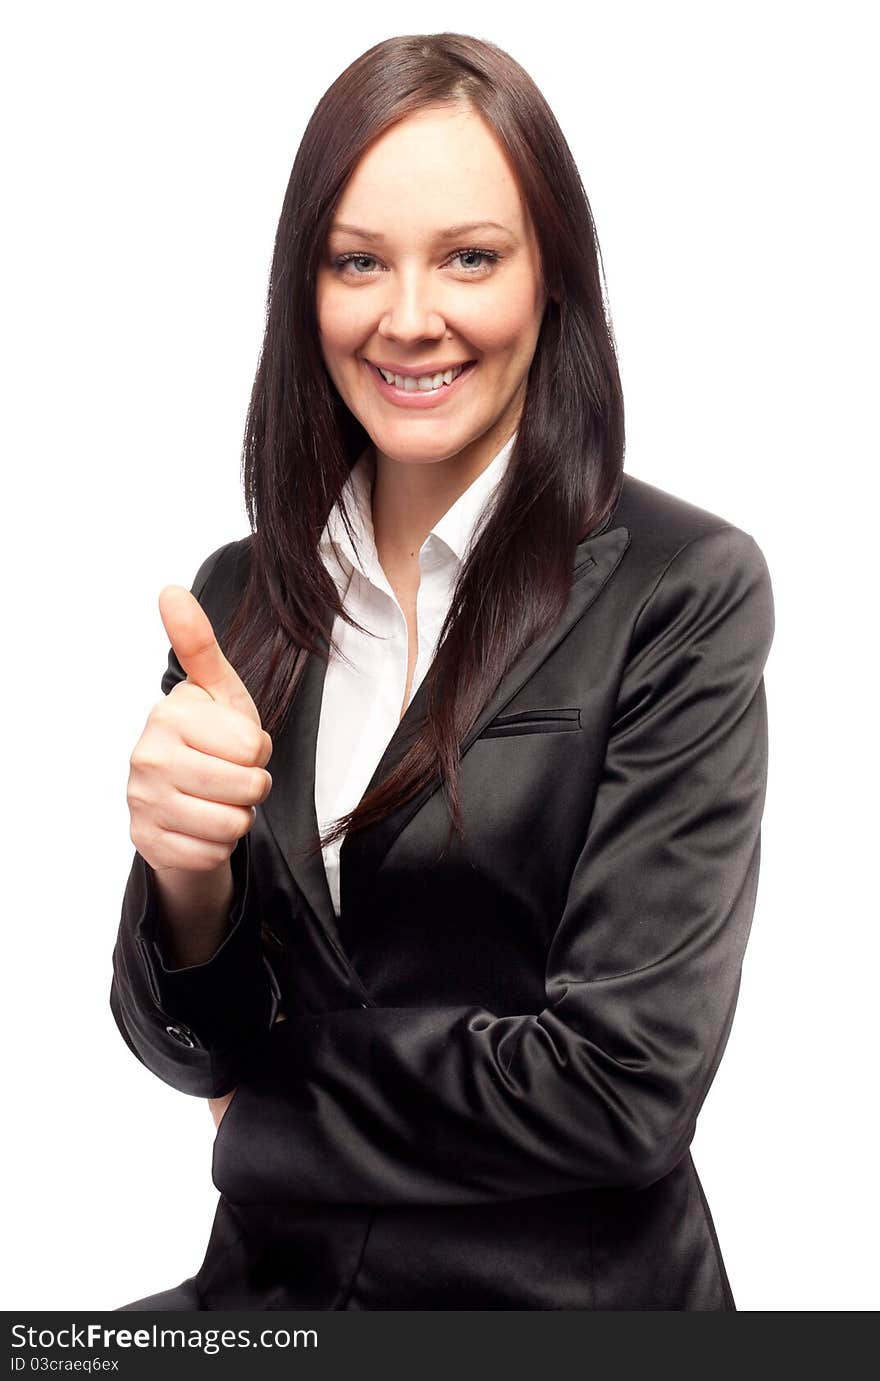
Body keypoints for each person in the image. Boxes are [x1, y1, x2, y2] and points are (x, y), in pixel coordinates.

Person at [110, 31, 774, 1311]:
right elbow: (191, 1048)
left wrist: (271, 1116)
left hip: (561, 1306)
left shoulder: (682, 589)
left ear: (551, 281)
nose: (408, 319)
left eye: (469, 257)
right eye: (358, 262)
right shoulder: (244, 591)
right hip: (271, 1299)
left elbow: (621, 1087)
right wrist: (185, 880)